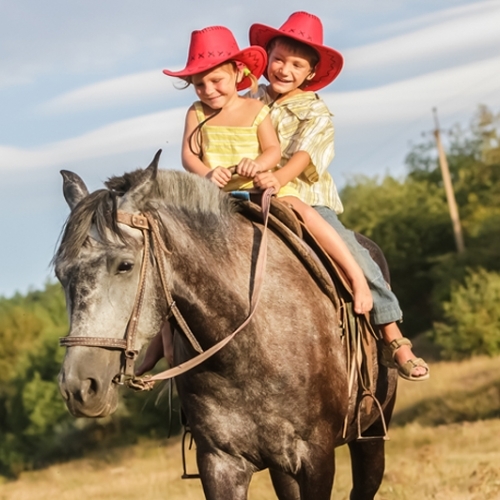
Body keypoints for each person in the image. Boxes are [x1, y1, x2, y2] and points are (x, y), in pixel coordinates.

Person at [136, 25, 373, 374]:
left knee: (309, 216)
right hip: (217, 196)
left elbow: (278, 151)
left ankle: (360, 282)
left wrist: (263, 167)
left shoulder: (295, 112)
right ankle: (162, 335)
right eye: (278, 60)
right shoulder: (216, 106)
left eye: (296, 65)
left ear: (237, 73)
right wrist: (204, 173)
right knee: (176, 246)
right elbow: (189, 154)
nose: (207, 90)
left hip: (274, 188)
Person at [247, 11, 429, 381]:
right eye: (279, 59)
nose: (284, 69)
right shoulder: (248, 101)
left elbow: (302, 156)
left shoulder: (316, 112)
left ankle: (393, 334)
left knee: (353, 252)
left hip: (303, 197)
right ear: (267, 57)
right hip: (247, 195)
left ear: (311, 73)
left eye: (296, 65)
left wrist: (276, 179)